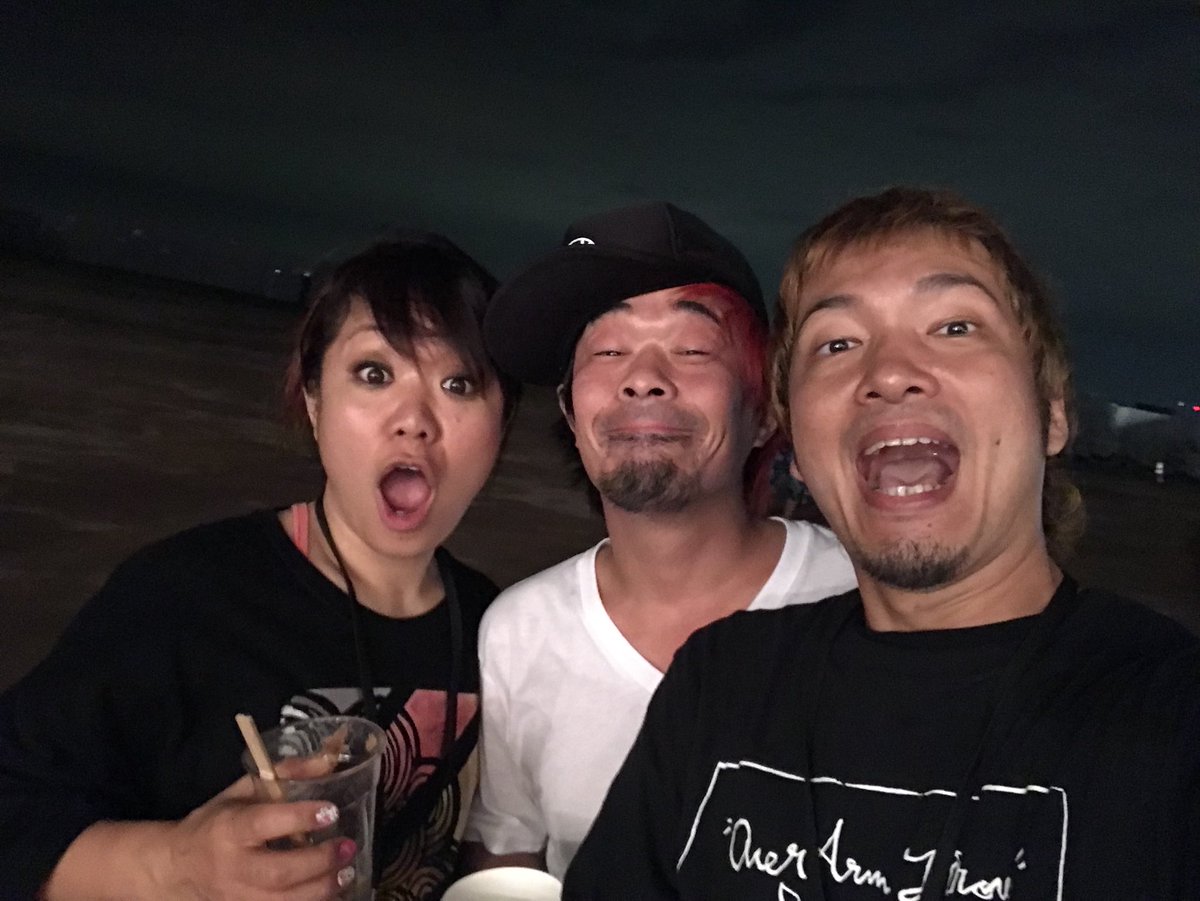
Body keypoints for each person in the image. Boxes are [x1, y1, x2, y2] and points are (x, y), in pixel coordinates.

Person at [563, 187, 1200, 899]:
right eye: (837, 344)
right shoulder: (719, 684)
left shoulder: (1170, 716)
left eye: (955, 327)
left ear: (1051, 413)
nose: (890, 373)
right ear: (797, 444)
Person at [0, 234, 520, 900]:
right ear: (314, 400)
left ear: (501, 426)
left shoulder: (499, 630)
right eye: (374, 373)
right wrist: (178, 865)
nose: (414, 420)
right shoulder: (186, 596)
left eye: (459, 383)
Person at [461, 201, 856, 880]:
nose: (642, 377)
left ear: (764, 410)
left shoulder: (860, 598)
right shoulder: (520, 633)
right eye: (608, 351)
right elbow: (508, 846)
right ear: (571, 412)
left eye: (693, 349)